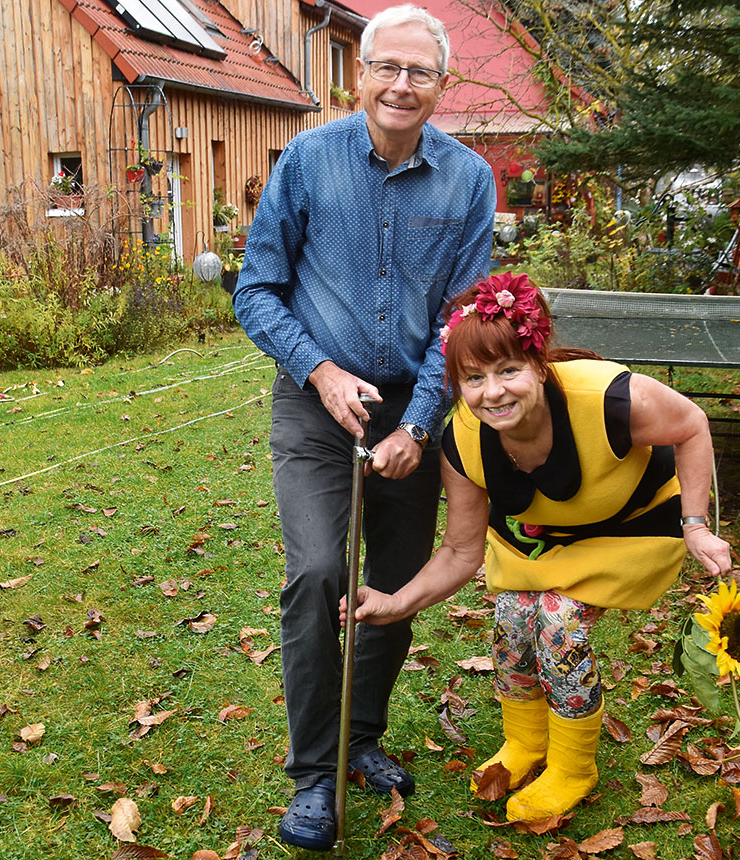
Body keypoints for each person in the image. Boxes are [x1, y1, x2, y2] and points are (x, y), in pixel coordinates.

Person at [233, 3, 496, 851]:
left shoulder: (470, 180)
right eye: (388, 67)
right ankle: (314, 773)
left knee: (396, 577)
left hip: (412, 410)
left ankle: (361, 738)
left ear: (442, 85)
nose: (401, 85)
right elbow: (255, 291)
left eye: (420, 72)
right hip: (315, 400)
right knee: (317, 572)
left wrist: (418, 423)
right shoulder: (307, 161)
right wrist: (322, 369)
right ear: (360, 73)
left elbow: (460, 325)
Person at [343, 271, 731, 823]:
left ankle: (574, 767)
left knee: (557, 621)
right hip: (544, 539)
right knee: (512, 615)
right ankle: (525, 743)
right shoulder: (462, 437)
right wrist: (394, 604)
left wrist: (697, 524)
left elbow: (691, 425)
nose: (492, 391)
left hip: (633, 525)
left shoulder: (609, 397)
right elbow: (460, 551)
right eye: (473, 378)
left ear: (539, 364)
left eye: (508, 370)